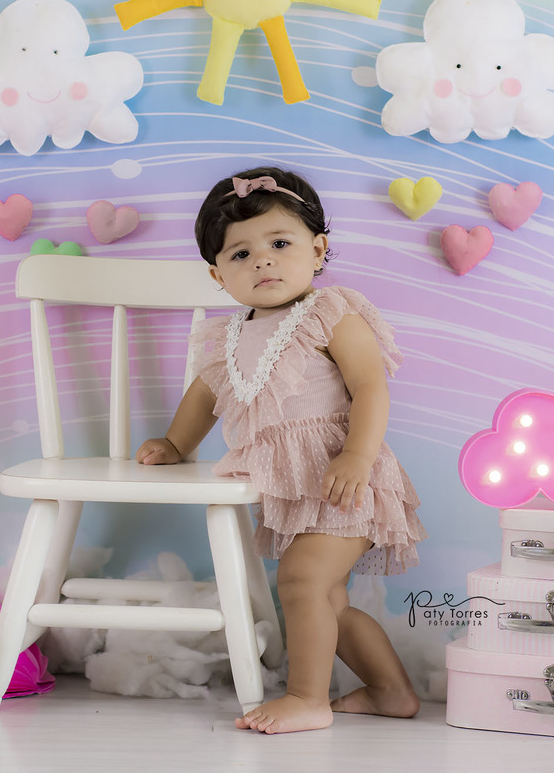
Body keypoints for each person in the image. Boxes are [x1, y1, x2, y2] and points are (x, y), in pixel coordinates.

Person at [136, 166, 427, 734]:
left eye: (279, 244)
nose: (262, 262)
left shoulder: (330, 313)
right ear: (218, 275)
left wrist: (357, 457)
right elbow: (205, 394)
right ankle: (391, 692)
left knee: (301, 582)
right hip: (299, 489)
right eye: (240, 254)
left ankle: (307, 698)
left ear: (317, 250)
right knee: (328, 599)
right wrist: (175, 443)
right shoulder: (229, 336)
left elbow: (370, 386)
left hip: (344, 478)